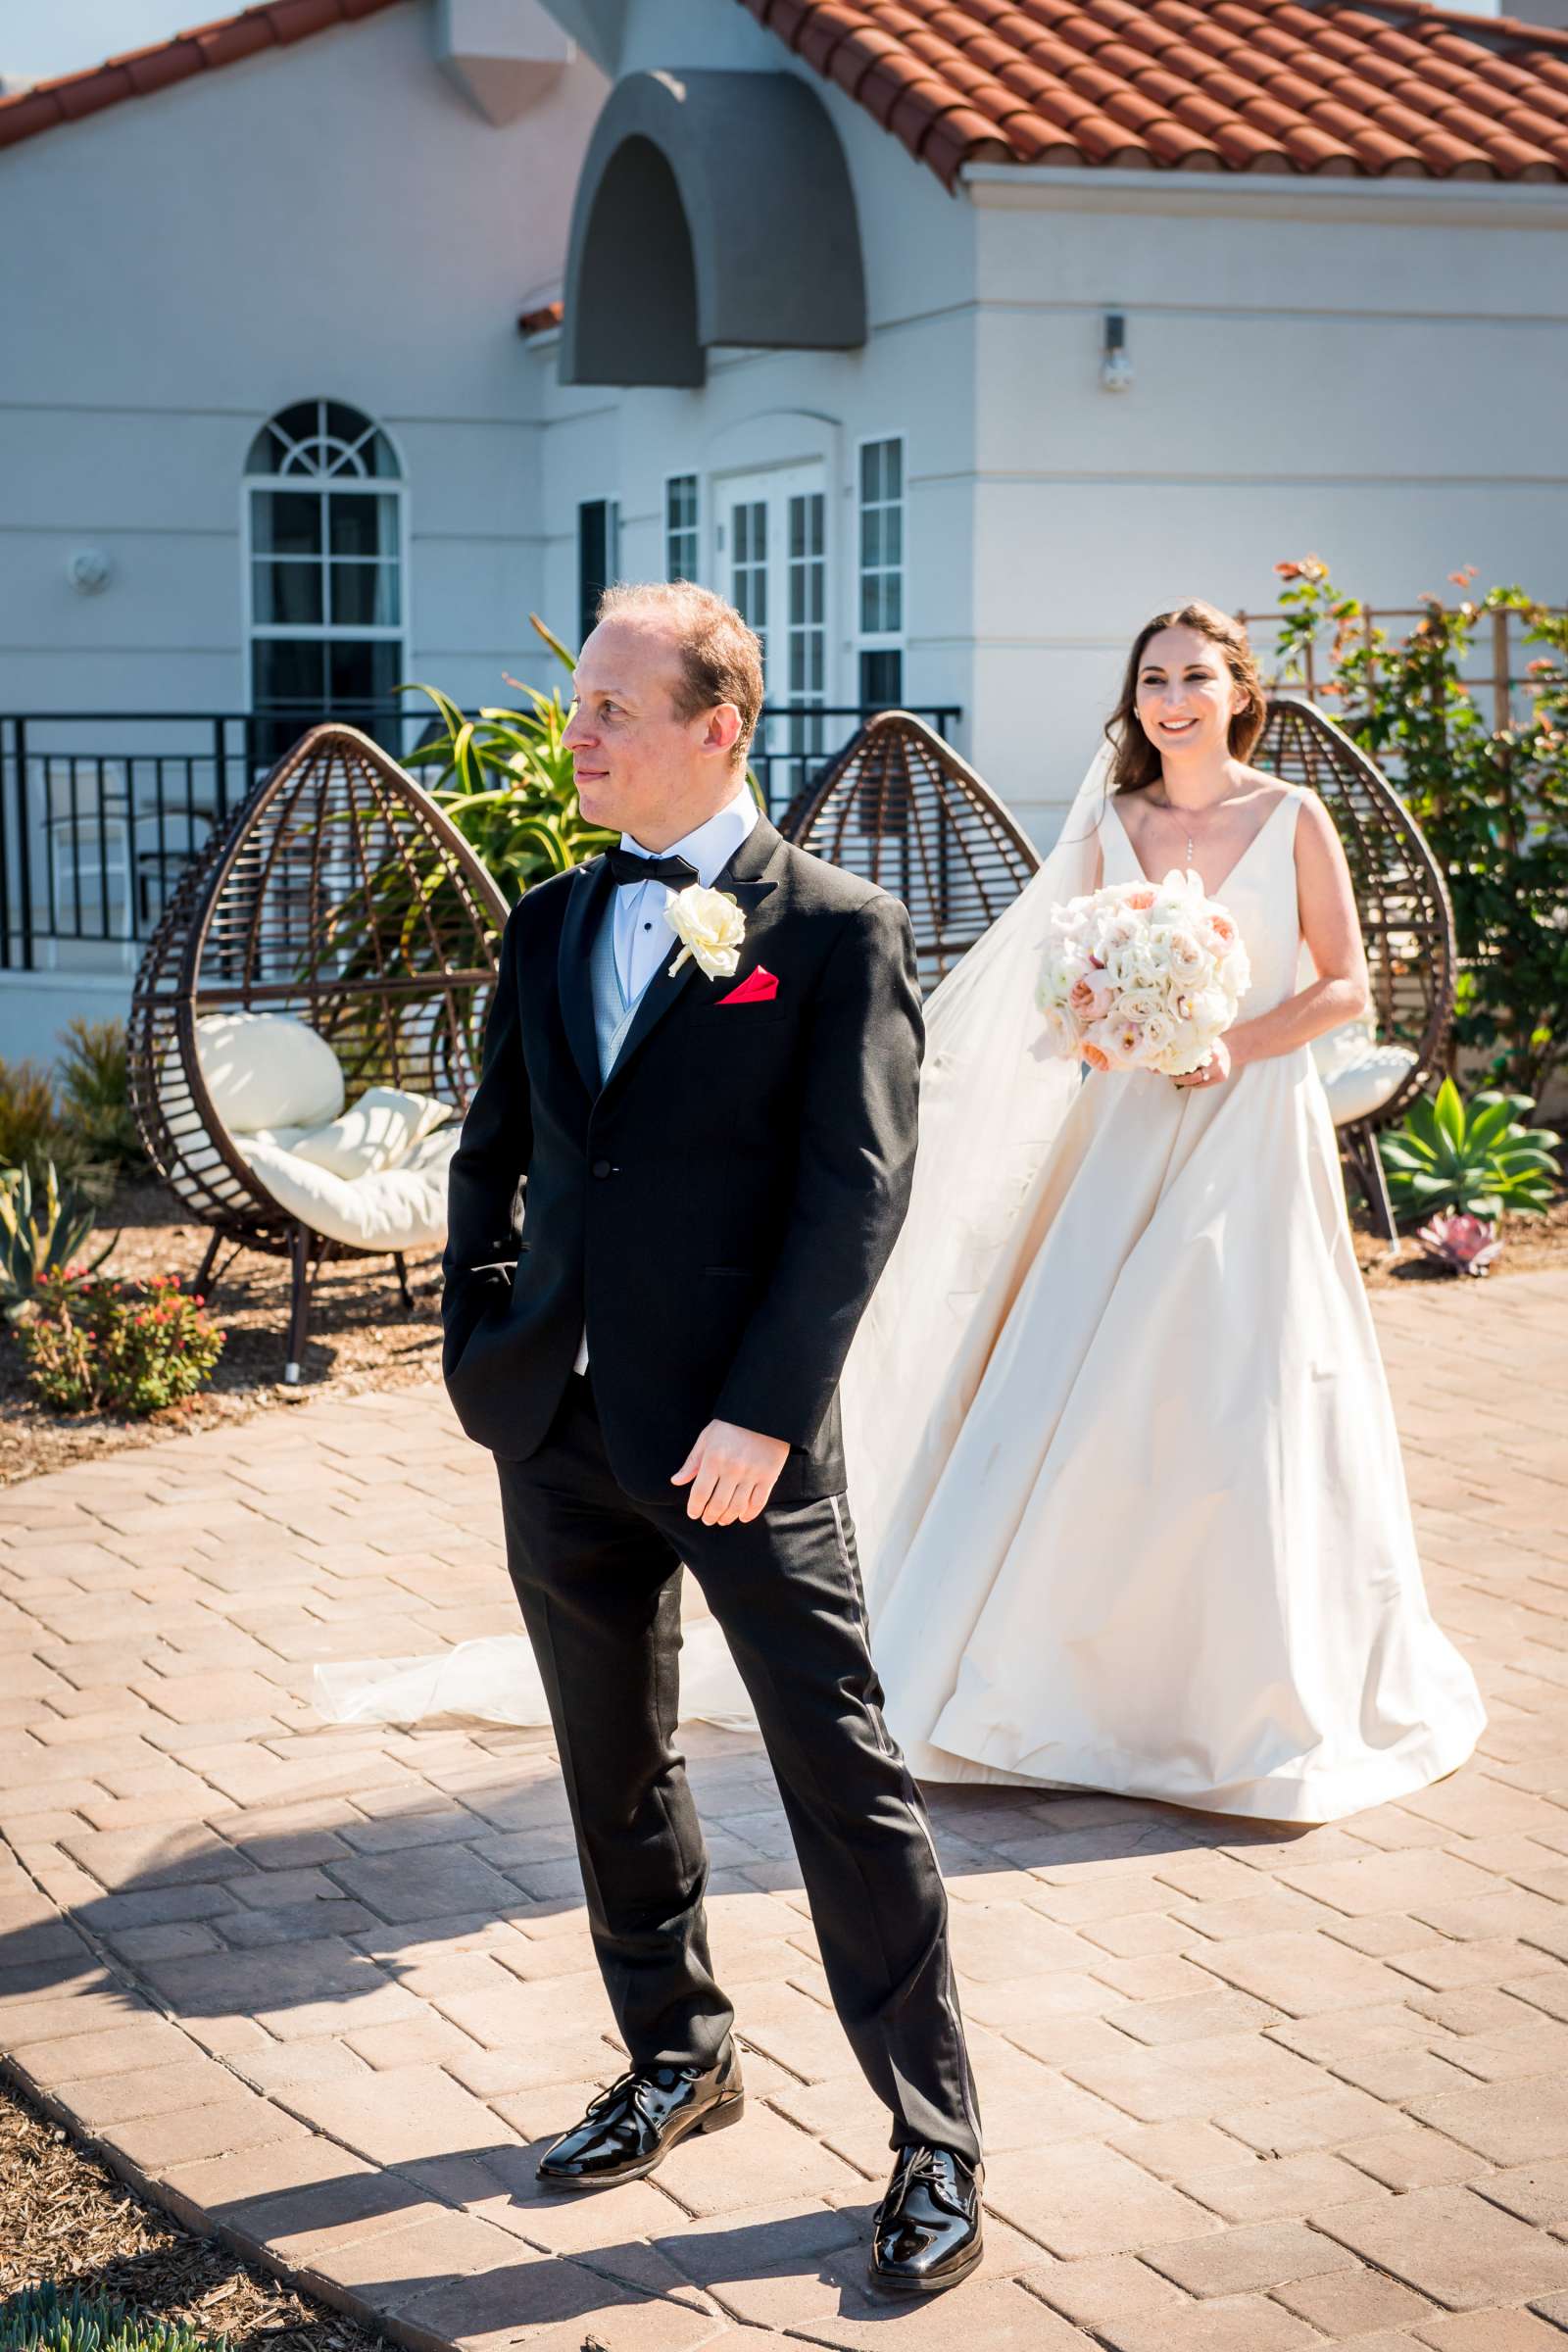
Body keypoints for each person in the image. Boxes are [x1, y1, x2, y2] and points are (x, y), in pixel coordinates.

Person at [325, 598, 1484, 1817]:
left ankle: (1254, 1687)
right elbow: (1060, 979)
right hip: (1126, 1122)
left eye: (1194, 675)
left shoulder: (1291, 817)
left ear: (1239, 691)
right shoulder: (1111, 818)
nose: (1170, 698)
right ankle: (1074, 1671)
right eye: (1151, 676)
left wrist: (1225, 1043)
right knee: (1094, 1388)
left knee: (1245, 1378)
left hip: (1246, 1129)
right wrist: (1117, 1021)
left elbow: (1348, 985)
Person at [436, 581, 984, 2295]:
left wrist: (763, 1411)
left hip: (741, 1442)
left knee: (841, 1775)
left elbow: (856, 1200)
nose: (575, 732)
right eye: (579, 704)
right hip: (563, 1426)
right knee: (611, 1766)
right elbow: (496, 1157)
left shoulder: (832, 932)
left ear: (716, 727)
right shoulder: (548, 919)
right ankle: (678, 2054)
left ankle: (937, 2140)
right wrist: (487, 1347)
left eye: (610, 708)